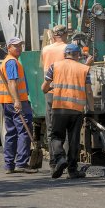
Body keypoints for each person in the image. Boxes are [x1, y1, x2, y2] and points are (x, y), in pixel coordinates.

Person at [41, 44, 94, 179]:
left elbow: (44, 87)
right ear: (77, 55)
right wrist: (91, 110)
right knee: (74, 140)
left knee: (56, 136)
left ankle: (60, 159)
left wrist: (47, 89)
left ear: (65, 54)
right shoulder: (84, 69)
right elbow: (88, 90)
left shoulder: (55, 66)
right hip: (77, 110)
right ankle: (72, 170)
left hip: (59, 107)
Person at [0, 36, 37, 174]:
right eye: (16, 46)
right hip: (16, 102)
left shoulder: (7, 61)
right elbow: (12, 83)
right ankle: (21, 163)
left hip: (6, 102)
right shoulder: (12, 62)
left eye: (20, 45)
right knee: (24, 131)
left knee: (11, 132)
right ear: (9, 48)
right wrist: (17, 101)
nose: (19, 48)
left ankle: (9, 165)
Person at [40, 24, 68, 170]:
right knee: (66, 127)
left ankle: (53, 161)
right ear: (65, 34)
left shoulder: (45, 49)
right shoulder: (67, 48)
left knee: (51, 128)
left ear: (53, 35)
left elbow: (44, 68)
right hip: (65, 92)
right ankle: (66, 159)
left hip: (50, 91)